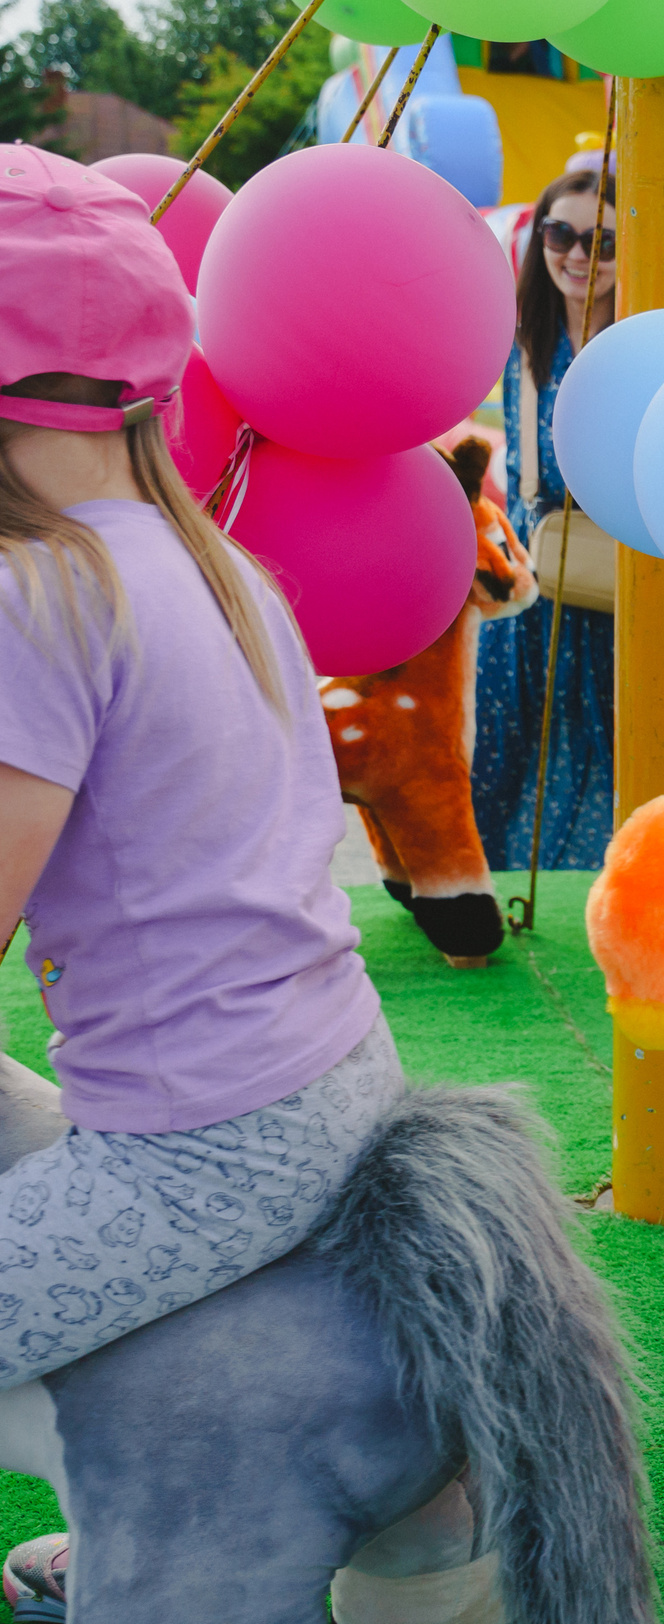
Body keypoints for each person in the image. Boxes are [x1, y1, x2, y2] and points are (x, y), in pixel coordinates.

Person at [0, 146, 405, 1399]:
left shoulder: (36, 591)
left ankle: (145, 1522)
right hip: (337, 1083)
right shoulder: (210, 564)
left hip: (202, 1152)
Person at [472, 167, 618, 873]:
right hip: (537, 579)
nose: (580, 254)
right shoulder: (522, 345)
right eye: (562, 233)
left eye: (604, 240)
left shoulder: (639, 344)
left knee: (607, 758)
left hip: (621, 591)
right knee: (510, 750)